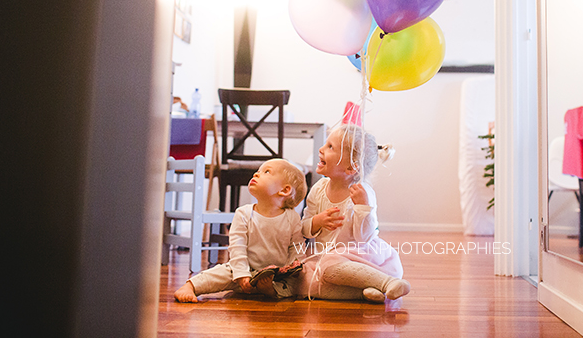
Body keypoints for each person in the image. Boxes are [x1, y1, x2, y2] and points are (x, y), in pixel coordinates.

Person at [297, 124, 410, 303]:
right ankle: (364, 291)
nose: (321, 149)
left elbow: (364, 237)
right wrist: (317, 221)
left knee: (327, 267)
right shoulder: (318, 189)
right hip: (329, 260)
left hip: (361, 257)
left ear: (351, 169)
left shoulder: (363, 193)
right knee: (303, 281)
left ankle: (387, 281)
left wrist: (363, 208)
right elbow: (303, 229)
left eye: (330, 147)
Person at [174, 158, 307, 303]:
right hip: (242, 270)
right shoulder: (243, 213)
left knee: (295, 286)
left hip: (274, 275)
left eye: (266, 172)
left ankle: (269, 289)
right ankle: (190, 286)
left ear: (285, 190)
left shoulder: (292, 218)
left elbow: (296, 246)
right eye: (258, 171)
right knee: (221, 272)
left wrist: (294, 266)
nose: (256, 174)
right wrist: (242, 275)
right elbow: (237, 247)